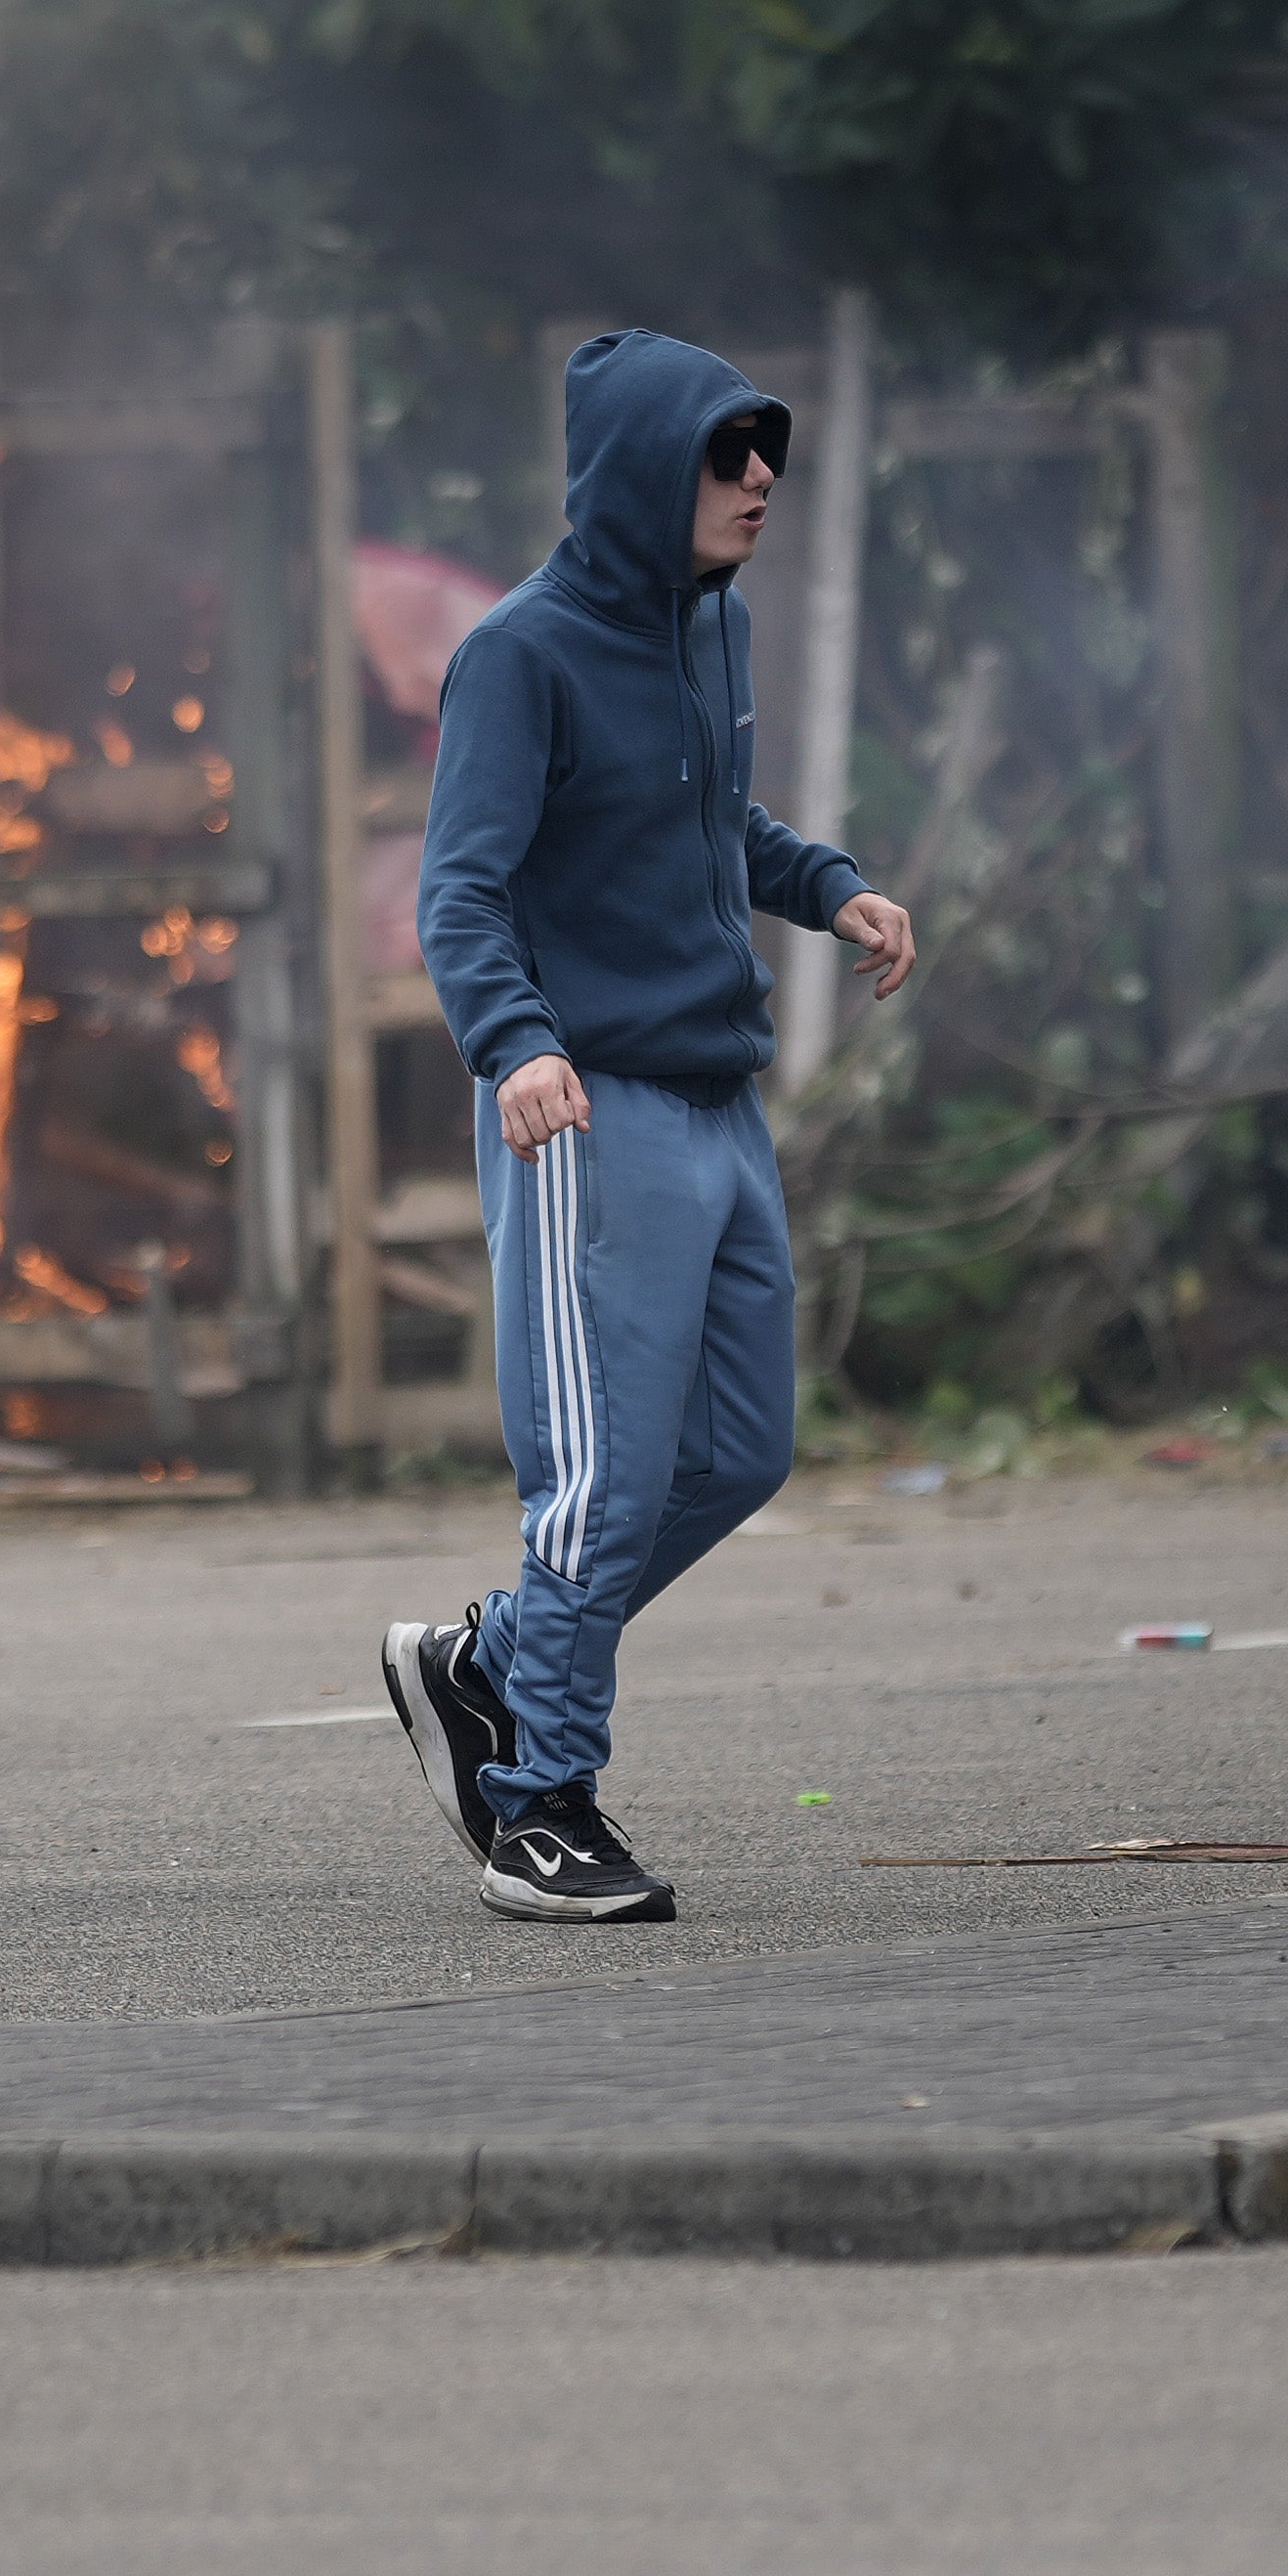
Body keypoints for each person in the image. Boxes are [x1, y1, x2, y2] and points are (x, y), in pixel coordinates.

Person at [386, 329, 916, 1923]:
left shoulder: (711, 631)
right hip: (586, 1115)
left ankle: (488, 1658)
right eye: (725, 451)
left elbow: (706, 818)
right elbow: (459, 888)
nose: (760, 477)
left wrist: (823, 886)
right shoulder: (518, 654)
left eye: (768, 448)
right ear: (636, 473)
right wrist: (514, 1045)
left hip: (713, 1100)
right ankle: (538, 1800)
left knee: (737, 1452)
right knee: (598, 1476)